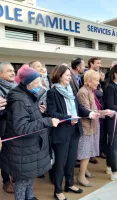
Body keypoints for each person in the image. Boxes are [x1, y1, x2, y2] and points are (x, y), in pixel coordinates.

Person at [0, 65, 60, 200]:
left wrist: (38, 111)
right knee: (22, 180)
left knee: (29, 176)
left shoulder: (27, 94)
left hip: (29, 146)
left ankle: (30, 197)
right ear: (27, 83)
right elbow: (21, 127)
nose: (40, 86)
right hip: (22, 148)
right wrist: (47, 121)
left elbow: (27, 115)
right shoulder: (19, 99)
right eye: (37, 83)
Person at [46, 65, 99, 200]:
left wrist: (90, 113)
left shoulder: (70, 90)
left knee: (70, 161)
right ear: (59, 76)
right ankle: (57, 190)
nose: (70, 77)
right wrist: (69, 118)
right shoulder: (52, 92)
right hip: (61, 132)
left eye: (70, 75)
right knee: (60, 163)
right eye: (67, 75)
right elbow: (51, 113)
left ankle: (69, 184)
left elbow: (78, 107)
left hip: (74, 131)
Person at [77, 70, 114, 186]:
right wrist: (104, 112)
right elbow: (87, 111)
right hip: (86, 126)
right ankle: (81, 176)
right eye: (96, 80)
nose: (98, 83)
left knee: (89, 151)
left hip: (93, 125)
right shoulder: (83, 92)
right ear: (88, 81)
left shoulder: (91, 91)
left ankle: (84, 171)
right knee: (86, 152)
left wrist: (104, 112)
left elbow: (94, 109)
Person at [0, 62, 17, 193]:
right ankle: (6, 180)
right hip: (4, 126)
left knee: (15, 152)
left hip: (17, 125)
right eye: (9, 71)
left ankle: (14, 175)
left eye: (13, 70)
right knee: (6, 154)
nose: (13, 73)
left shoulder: (16, 87)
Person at [87, 57, 106, 162]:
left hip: (99, 107)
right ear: (91, 63)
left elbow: (102, 91)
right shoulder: (87, 76)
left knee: (99, 132)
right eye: (98, 63)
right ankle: (91, 154)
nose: (100, 65)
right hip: (92, 109)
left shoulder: (100, 76)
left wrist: (102, 81)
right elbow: (98, 93)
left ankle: (97, 151)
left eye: (100, 63)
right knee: (92, 133)